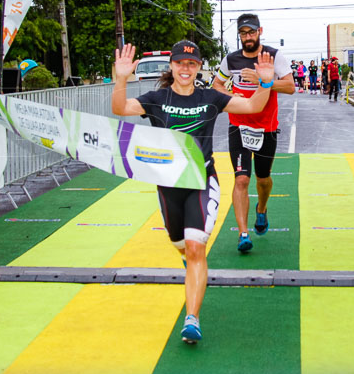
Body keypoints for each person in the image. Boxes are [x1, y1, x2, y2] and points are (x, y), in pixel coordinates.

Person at [112, 40, 275, 343]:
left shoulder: (211, 97)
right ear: (171, 66)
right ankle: (188, 260)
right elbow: (120, 108)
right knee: (180, 244)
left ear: (199, 67)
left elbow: (254, 105)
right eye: (179, 63)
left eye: (191, 64)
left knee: (196, 248)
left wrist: (266, 82)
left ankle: (192, 319)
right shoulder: (157, 98)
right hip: (168, 185)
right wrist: (121, 77)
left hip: (202, 181)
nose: (185, 69)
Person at [215, 14, 294, 253]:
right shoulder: (231, 60)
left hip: (265, 126)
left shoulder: (272, 56)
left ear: (260, 31)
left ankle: (261, 208)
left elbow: (290, 86)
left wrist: (264, 79)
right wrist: (230, 96)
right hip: (238, 124)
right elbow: (217, 85)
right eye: (243, 34)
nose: (247, 38)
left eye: (251, 33)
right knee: (241, 179)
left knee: (262, 179)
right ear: (239, 35)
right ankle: (243, 233)